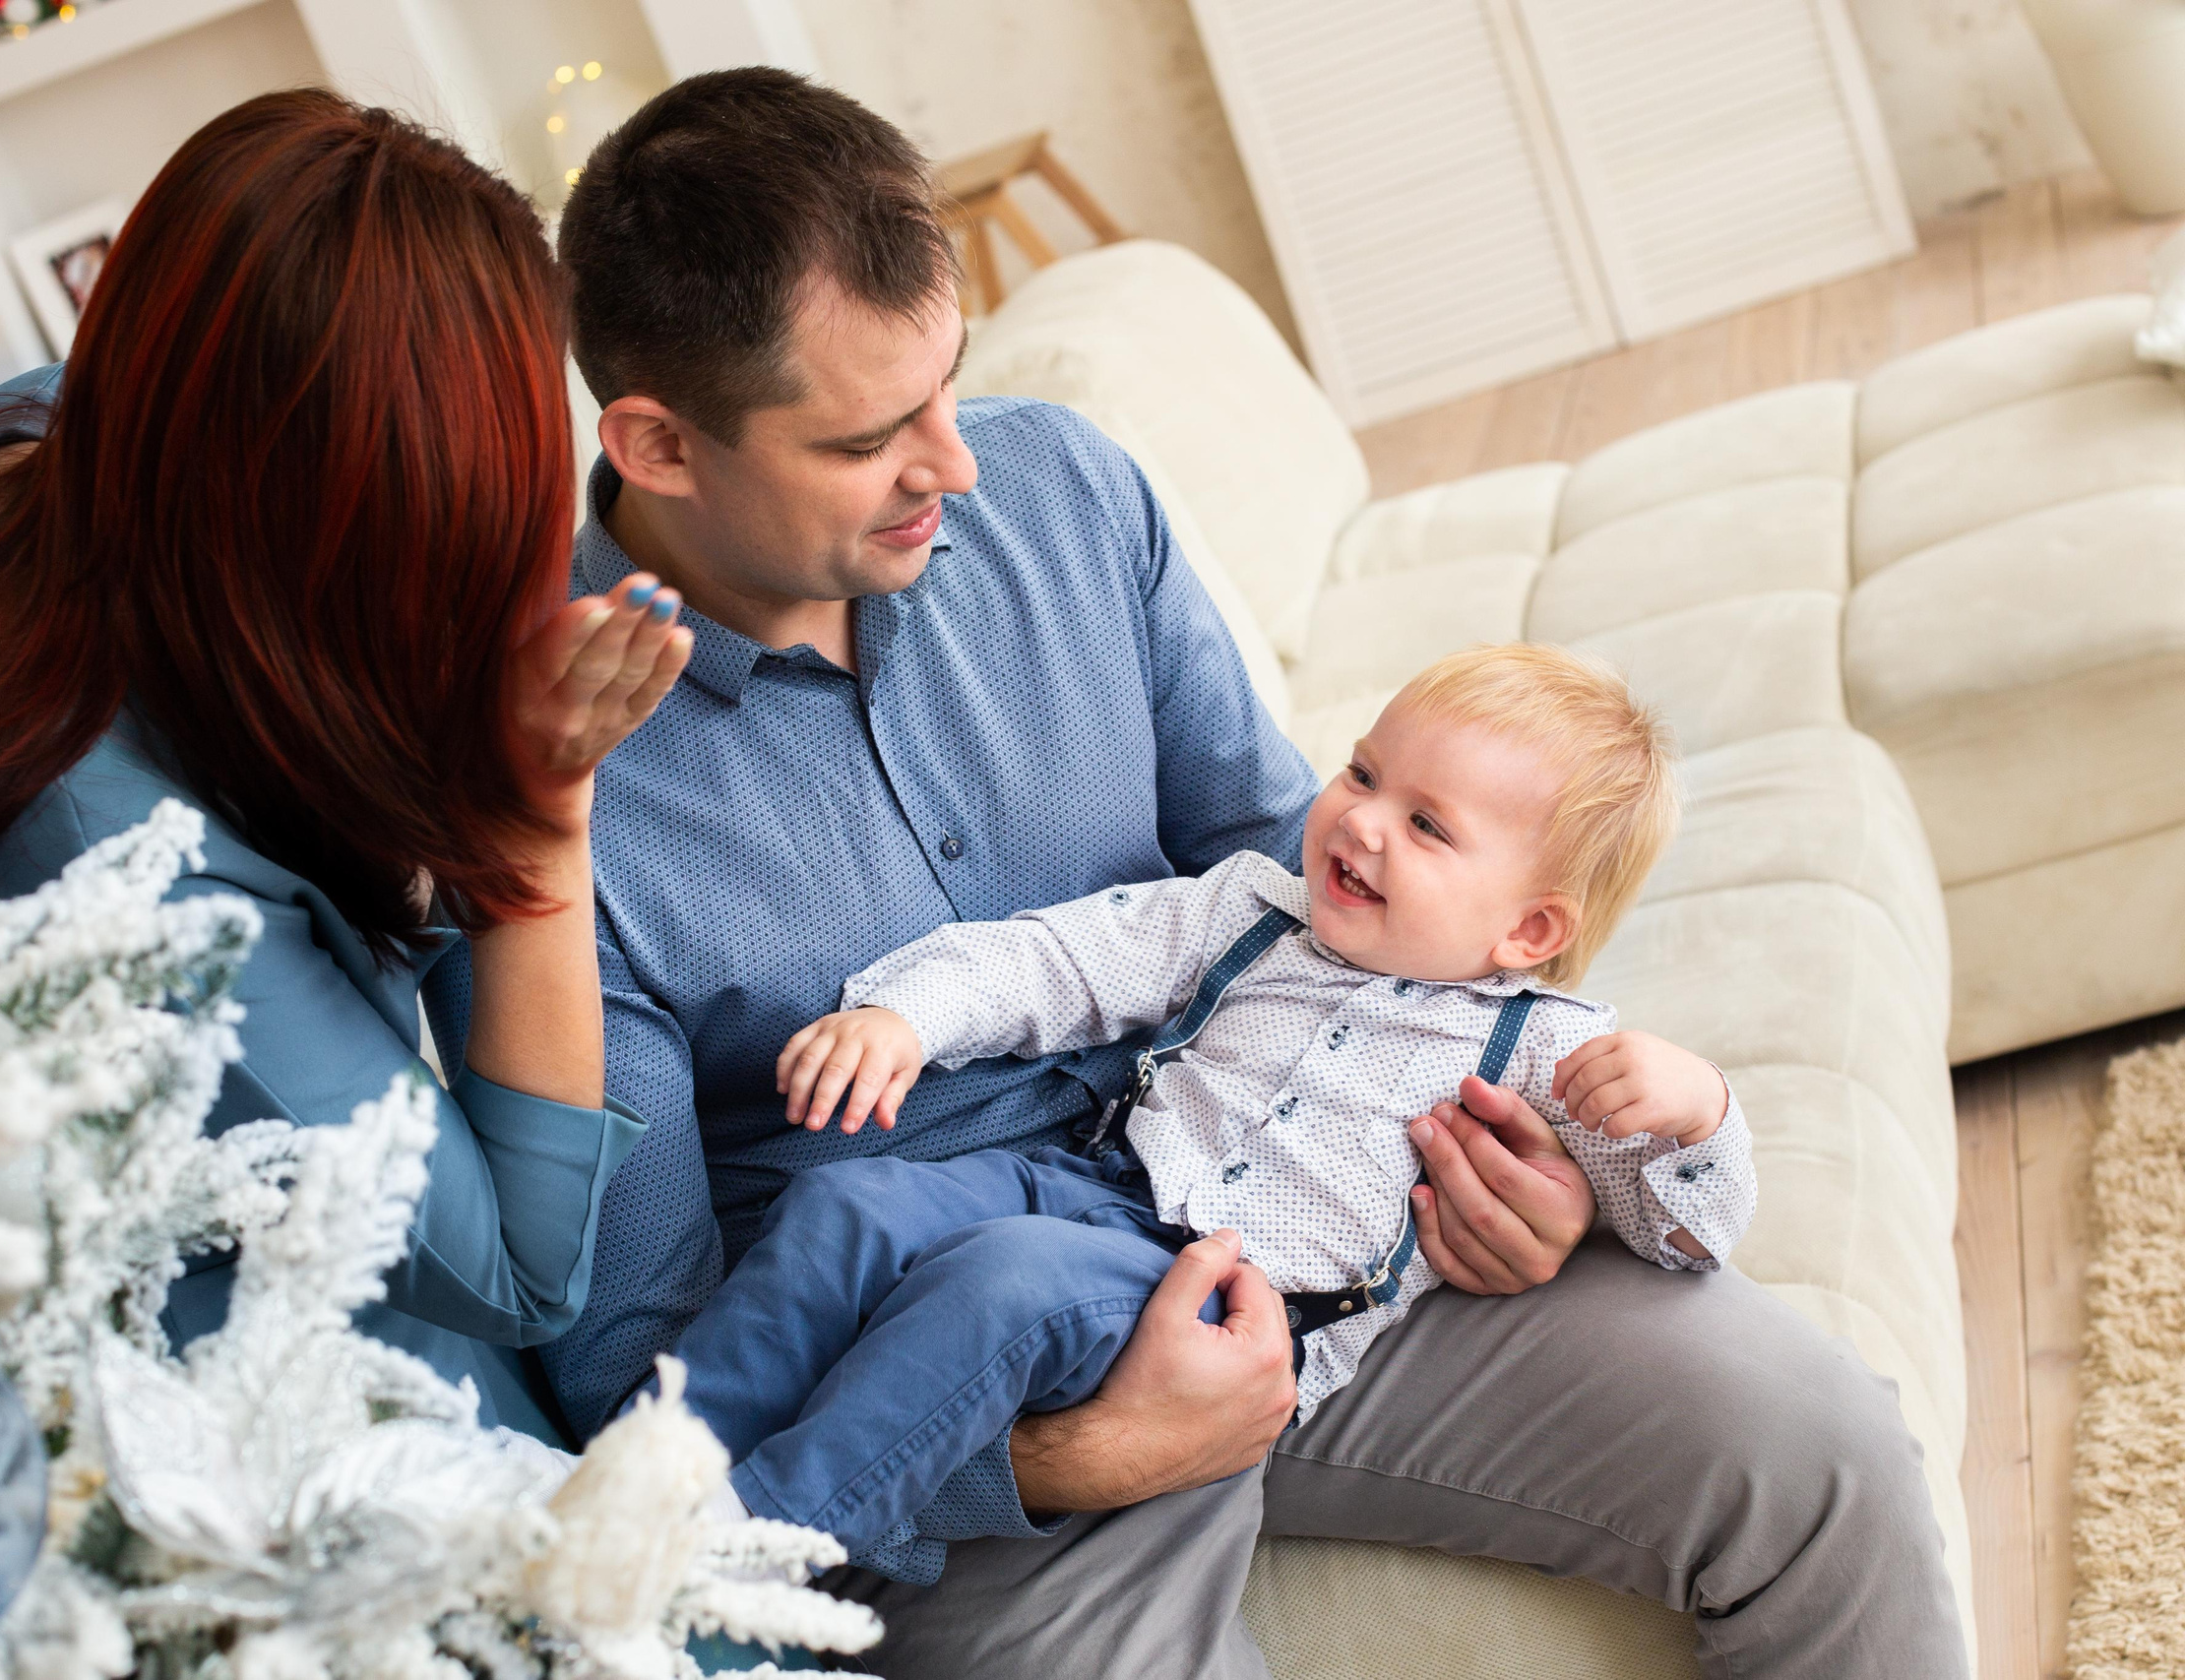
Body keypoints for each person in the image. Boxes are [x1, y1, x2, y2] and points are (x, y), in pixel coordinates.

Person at [546, 67, 1964, 1679]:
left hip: (1310, 1245)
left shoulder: (1068, 496)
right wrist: (1065, 1459)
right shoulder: (562, 794)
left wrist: (1520, 1184)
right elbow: (633, 1361)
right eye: (873, 437)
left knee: (1825, 1453)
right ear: (657, 442)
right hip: (960, 1371)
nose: (963, 464)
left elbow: (1294, 872)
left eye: (952, 383)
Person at [0, 89, 689, 1440]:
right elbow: (523, 1269)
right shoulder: (121, 855)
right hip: (263, 1411)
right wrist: (535, 831)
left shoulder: (59, 435)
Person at [669, 645, 1761, 1581]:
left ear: (1528, 932)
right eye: (1362, 773)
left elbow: (1685, 1231)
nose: (1359, 821)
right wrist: (907, 1017)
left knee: (1003, 1288)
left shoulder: (1546, 1047)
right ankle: (646, 1471)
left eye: (1425, 825)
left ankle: (742, 1552)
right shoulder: (1248, 912)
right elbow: (1064, 956)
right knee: (849, 1205)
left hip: (1221, 1303)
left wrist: (1700, 1115)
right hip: (1092, 1185)